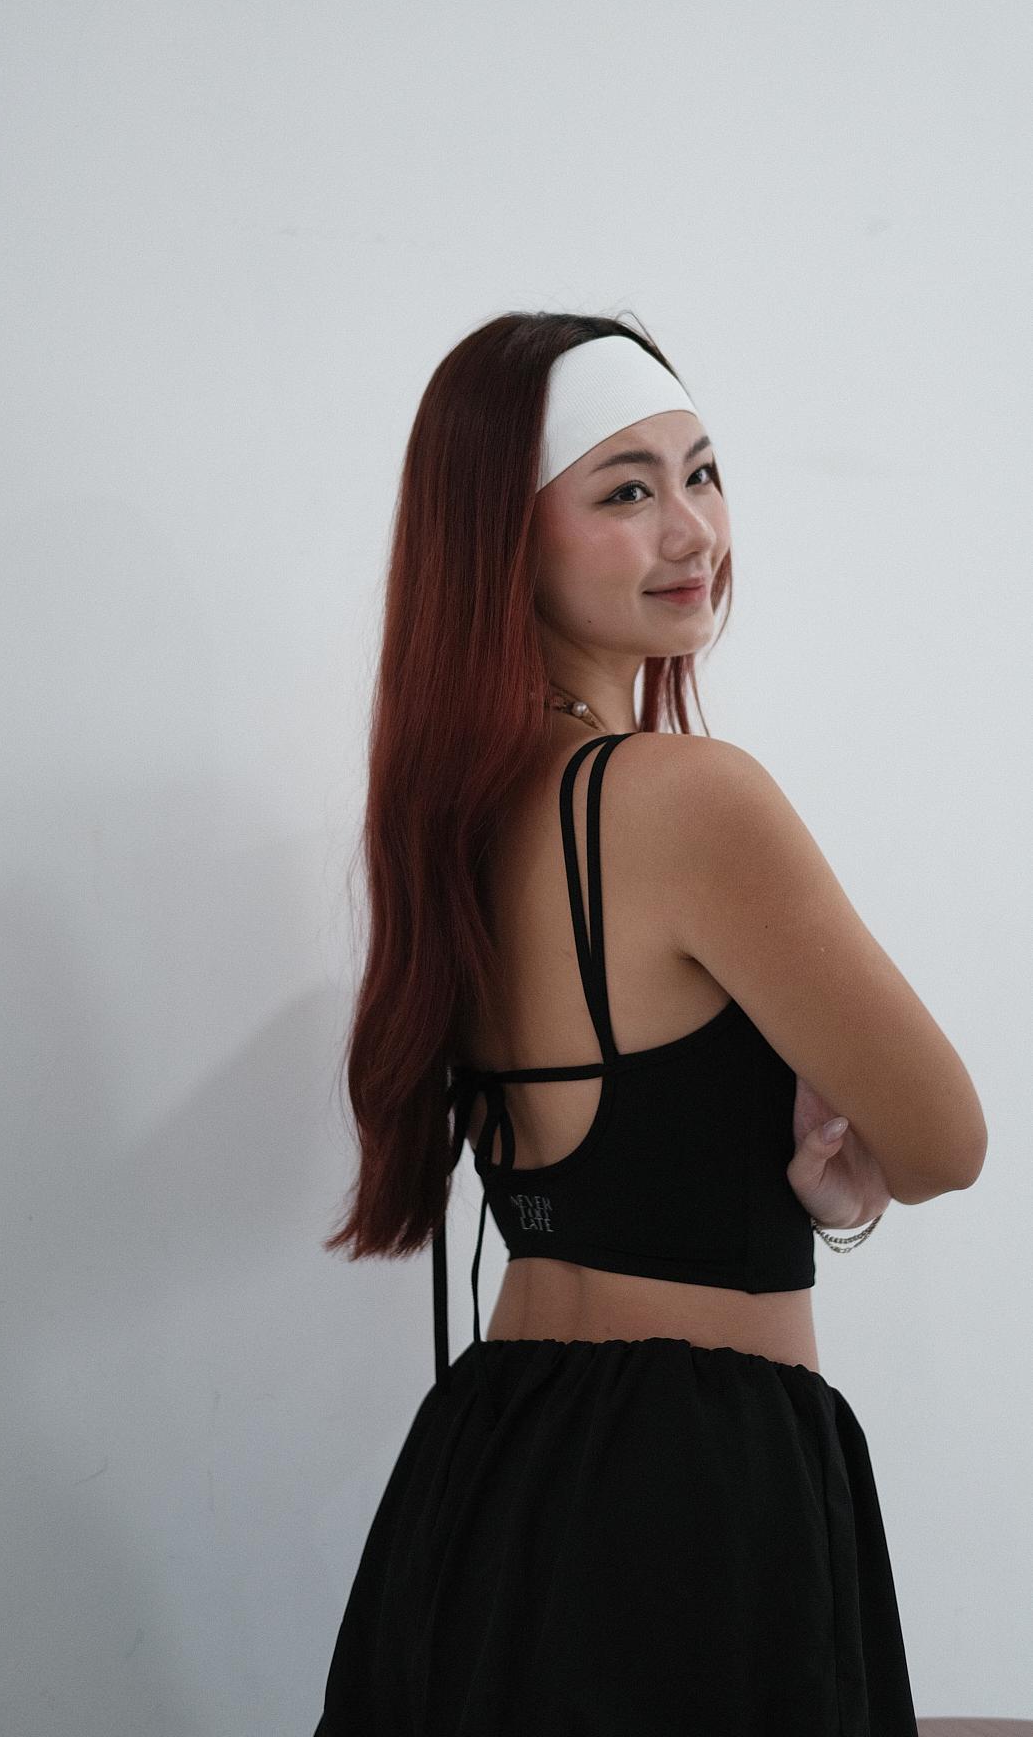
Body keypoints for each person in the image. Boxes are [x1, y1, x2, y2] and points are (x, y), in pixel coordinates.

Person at [312, 314, 987, 1735]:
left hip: (486, 1476)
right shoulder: (688, 798)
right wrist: (864, 1179)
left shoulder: (452, 820)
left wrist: (807, 1186)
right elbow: (946, 1142)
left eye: (703, 473)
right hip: (693, 1497)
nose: (692, 532)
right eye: (625, 490)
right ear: (505, 542)